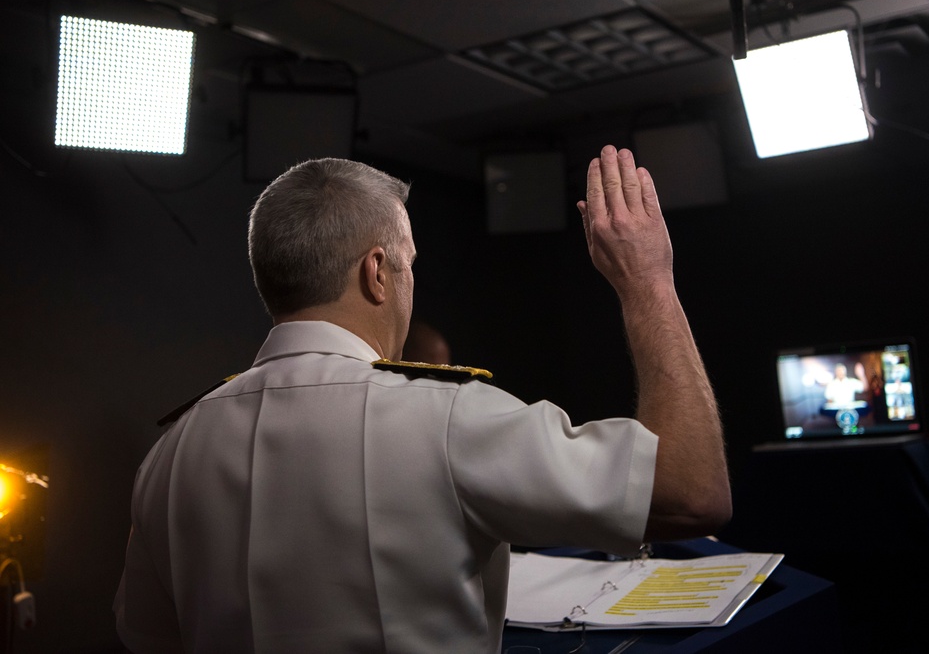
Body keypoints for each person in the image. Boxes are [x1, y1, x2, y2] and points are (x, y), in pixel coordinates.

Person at [113, 146, 731, 653]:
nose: (411, 282)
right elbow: (691, 493)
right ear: (377, 272)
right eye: (409, 264)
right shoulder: (446, 418)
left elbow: (145, 639)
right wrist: (648, 282)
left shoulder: (169, 454)